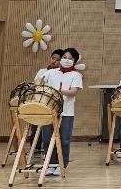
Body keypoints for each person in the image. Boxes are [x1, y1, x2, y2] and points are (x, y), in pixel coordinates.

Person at [41, 47, 83, 176]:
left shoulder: (76, 75)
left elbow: (74, 92)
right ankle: (50, 164)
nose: (66, 60)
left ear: (74, 61)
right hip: (49, 110)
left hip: (66, 112)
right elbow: (39, 82)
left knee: (64, 139)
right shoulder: (51, 72)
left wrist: (60, 91)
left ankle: (61, 164)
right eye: (64, 57)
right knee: (47, 139)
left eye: (70, 58)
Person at [31, 49, 65, 154]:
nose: (54, 61)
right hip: (40, 101)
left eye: (57, 60)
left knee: (49, 129)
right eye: (53, 58)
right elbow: (36, 84)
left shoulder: (61, 74)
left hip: (52, 104)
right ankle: (35, 147)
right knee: (35, 125)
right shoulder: (42, 71)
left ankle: (50, 151)